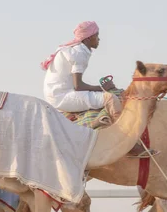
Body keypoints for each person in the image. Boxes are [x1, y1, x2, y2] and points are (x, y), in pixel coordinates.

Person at [41, 21, 157, 158]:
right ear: (89, 38)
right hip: (62, 96)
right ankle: (127, 143)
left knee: (106, 95)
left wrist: (99, 89)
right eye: (97, 36)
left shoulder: (74, 50)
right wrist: (102, 88)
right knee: (110, 98)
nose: (99, 39)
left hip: (59, 93)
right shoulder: (79, 53)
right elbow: (78, 86)